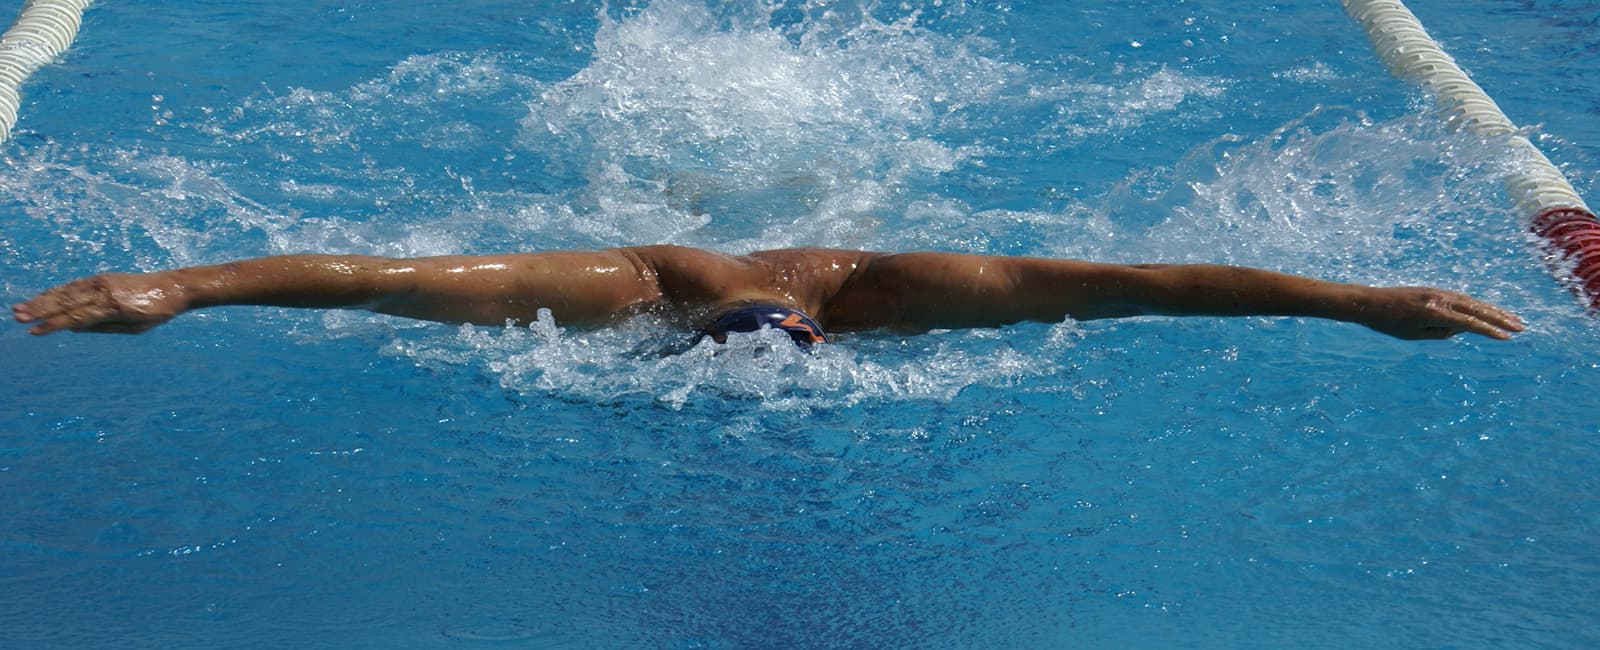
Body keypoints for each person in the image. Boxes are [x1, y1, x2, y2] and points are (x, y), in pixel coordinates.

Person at [11, 244, 1524, 345]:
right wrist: (182, 288)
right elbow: (368, 275)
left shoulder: (898, 289)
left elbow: (1149, 278)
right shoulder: (611, 292)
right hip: (657, 251)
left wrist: (1354, 300)